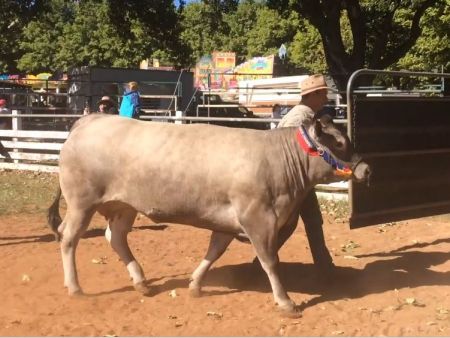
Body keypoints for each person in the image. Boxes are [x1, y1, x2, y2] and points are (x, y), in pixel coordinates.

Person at [277, 74, 337, 272]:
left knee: (298, 223)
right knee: (300, 223)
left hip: (298, 180)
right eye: (323, 94)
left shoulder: (304, 115)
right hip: (295, 181)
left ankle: (324, 266)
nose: (326, 99)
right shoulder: (299, 118)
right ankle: (325, 268)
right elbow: (289, 151)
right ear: (314, 94)